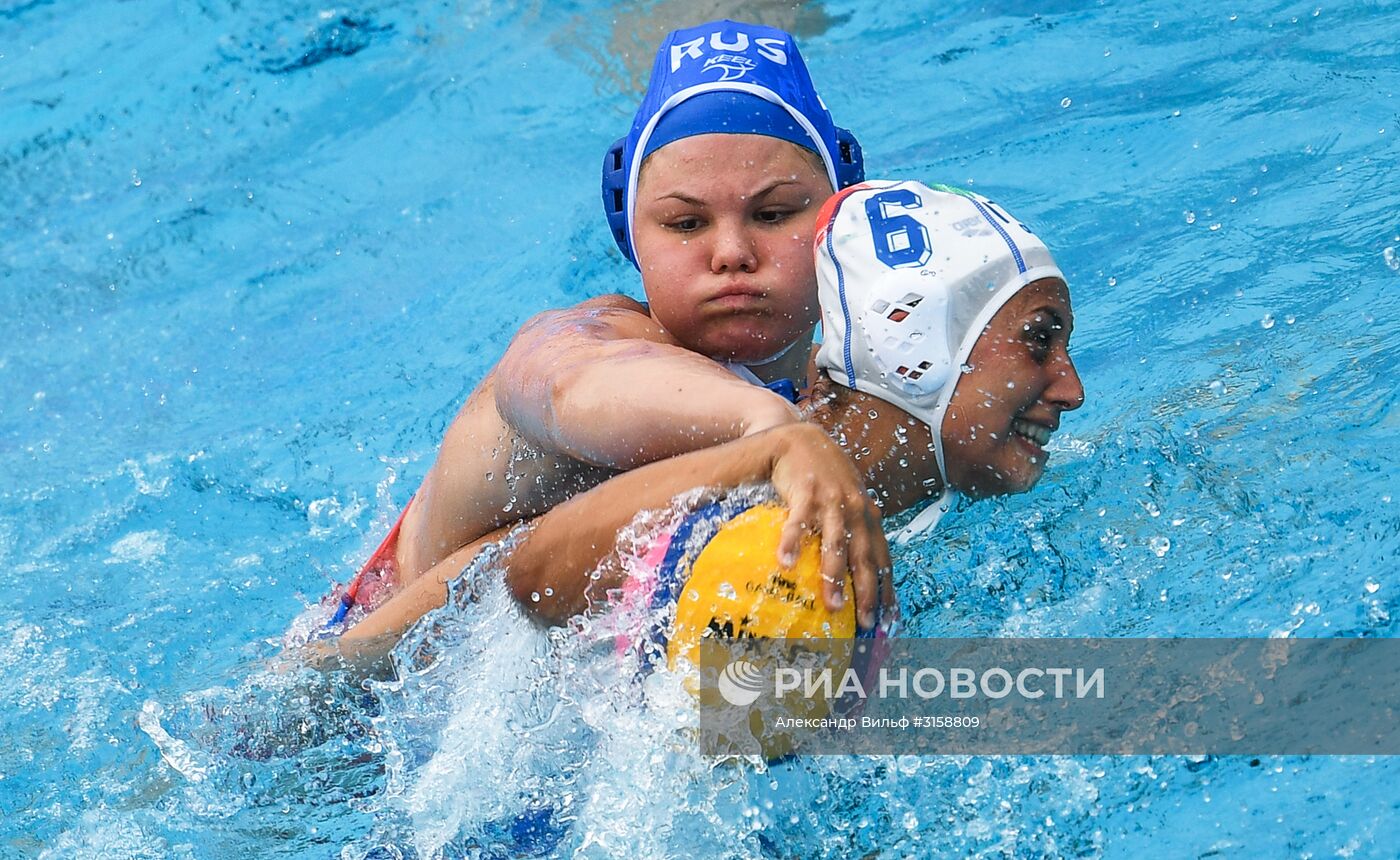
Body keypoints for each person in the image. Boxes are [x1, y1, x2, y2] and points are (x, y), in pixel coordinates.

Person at [316, 181, 1085, 669]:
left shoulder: (916, 511)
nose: (1071, 389)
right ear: (921, 348)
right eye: (1039, 339)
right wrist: (765, 451)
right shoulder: (715, 461)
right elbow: (527, 575)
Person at [332, 19, 885, 631]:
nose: (731, 252)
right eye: (685, 224)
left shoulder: (846, 374)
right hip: (361, 681)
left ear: (841, 217)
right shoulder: (583, 342)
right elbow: (569, 387)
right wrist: (771, 431)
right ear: (630, 235)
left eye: (773, 212)